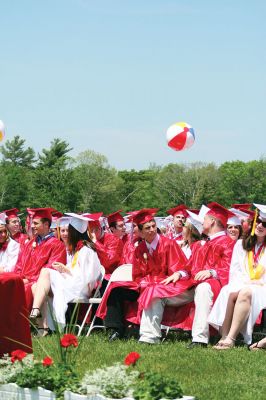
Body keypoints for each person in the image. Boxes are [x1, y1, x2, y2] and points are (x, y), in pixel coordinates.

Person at [139, 202, 235, 346]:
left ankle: (199, 338)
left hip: (217, 285)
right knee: (156, 289)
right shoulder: (202, 244)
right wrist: (179, 273)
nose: (202, 222)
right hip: (192, 284)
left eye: (205, 219)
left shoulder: (229, 243)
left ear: (213, 221)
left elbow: (230, 269)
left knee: (203, 288)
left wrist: (210, 272)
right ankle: (149, 337)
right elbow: (189, 267)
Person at [101, 208, 187, 341]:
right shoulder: (140, 249)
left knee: (150, 291)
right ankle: (116, 330)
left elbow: (178, 269)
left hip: (165, 286)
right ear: (140, 232)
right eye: (147, 228)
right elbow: (137, 274)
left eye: (153, 226)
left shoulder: (168, 244)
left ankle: (146, 333)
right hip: (144, 285)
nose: (152, 230)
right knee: (116, 289)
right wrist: (144, 281)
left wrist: (155, 281)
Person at [29, 213, 102, 333]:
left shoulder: (87, 250)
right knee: (35, 286)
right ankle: (44, 328)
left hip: (80, 288)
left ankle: (35, 310)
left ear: (75, 232)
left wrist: (66, 270)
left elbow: (87, 277)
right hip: (71, 283)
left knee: (45, 271)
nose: (67, 234)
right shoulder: (76, 249)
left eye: (70, 230)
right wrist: (64, 269)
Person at [208, 204, 266, 349]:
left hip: (263, 287)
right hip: (243, 282)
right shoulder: (241, 244)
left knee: (245, 292)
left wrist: (257, 283)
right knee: (230, 291)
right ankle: (224, 335)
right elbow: (235, 271)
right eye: (257, 222)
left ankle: (231, 338)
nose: (260, 226)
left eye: (264, 224)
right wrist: (247, 282)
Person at [13, 207, 67, 310]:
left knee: (27, 288)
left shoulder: (57, 245)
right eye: (32, 223)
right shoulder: (30, 243)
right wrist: (17, 279)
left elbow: (51, 270)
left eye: (36, 223)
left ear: (46, 224)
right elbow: (20, 265)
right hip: (26, 280)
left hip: (43, 284)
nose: (32, 226)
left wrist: (28, 280)